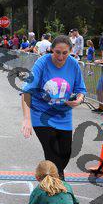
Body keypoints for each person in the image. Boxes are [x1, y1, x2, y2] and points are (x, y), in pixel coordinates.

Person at [20, 35, 87, 179]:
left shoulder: (74, 64)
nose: (61, 57)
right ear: (51, 49)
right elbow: (26, 91)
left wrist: (79, 100)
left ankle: (51, 178)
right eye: (57, 52)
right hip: (41, 114)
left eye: (65, 53)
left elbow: (81, 90)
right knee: (53, 154)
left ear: (70, 51)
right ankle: (55, 184)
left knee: (65, 154)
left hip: (63, 115)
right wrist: (26, 119)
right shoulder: (42, 63)